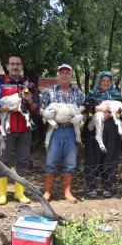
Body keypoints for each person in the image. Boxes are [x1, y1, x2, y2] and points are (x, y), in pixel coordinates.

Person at [0, 55, 39, 205]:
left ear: (22, 67)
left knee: (23, 161)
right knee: (4, 160)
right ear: (7, 66)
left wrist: (30, 100)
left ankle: (19, 193)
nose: (15, 67)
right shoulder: (0, 83)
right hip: (6, 129)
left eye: (18, 64)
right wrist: (12, 108)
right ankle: (2, 194)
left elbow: (35, 108)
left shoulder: (27, 84)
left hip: (25, 129)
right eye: (12, 64)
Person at [39, 64, 85, 203]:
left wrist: (81, 117)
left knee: (70, 161)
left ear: (71, 76)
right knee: (51, 160)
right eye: (61, 73)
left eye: (67, 73)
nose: (64, 75)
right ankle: (47, 192)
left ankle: (67, 192)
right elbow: (41, 109)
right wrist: (44, 113)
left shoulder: (78, 93)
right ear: (57, 76)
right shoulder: (49, 91)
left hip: (72, 129)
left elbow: (85, 111)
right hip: (55, 129)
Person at [84, 71, 122, 199]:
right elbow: (86, 110)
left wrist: (112, 114)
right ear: (99, 81)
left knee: (110, 156)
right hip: (94, 129)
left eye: (108, 81)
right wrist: (98, 109)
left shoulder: (116, 95)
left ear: (111, 82)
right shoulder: (91, 94)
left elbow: (121, 113)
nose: (105, 83)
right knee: (92, 156)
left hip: (112, 130)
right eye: (103, 81)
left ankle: (107, 187)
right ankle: (92, 187)